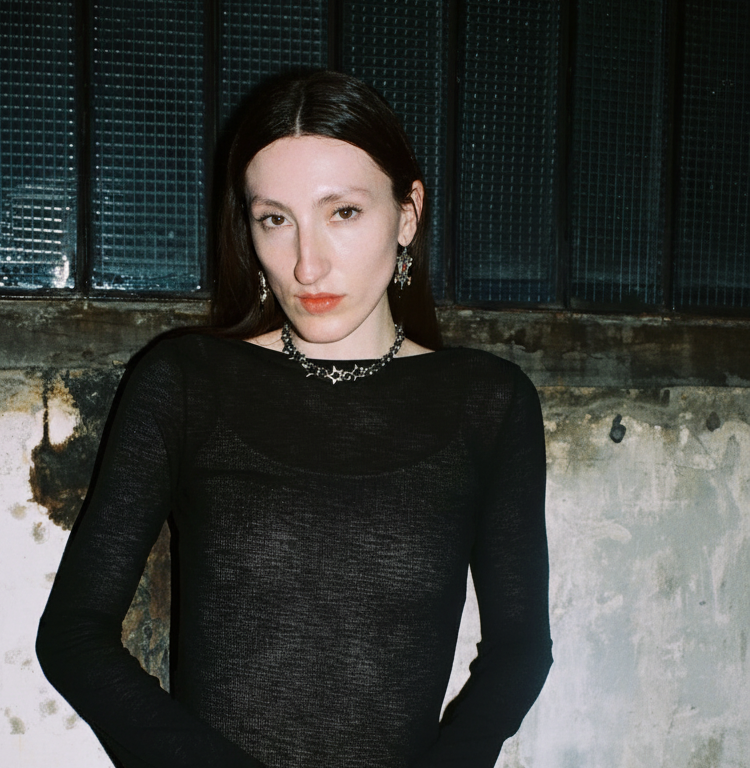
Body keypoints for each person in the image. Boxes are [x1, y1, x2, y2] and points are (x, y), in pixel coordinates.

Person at [36, 70, 552, 768]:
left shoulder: (488, 402)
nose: (308, 265)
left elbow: (520, 650)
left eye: (343, 212)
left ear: (407, 214)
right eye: (275, 219)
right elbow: (74, 636)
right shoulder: (187, 380)